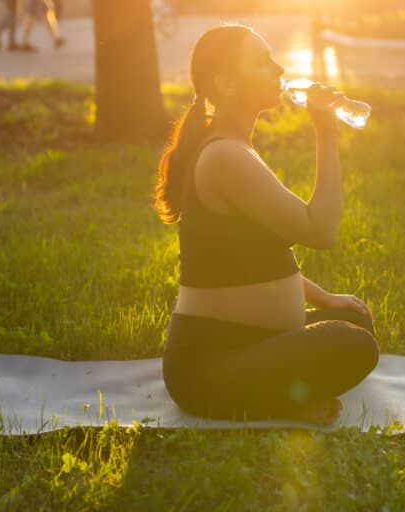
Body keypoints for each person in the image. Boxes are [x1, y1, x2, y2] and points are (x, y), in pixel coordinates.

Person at [155, 24, 380, 426]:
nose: (278, 69)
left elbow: (257, 255)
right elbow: (321, 230)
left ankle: (279, 388)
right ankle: (279, 400)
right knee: (355, 345)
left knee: (354, 320)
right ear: (225, 83)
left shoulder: (236, 146)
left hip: (257, 342)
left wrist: (326, 299)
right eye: (262, 61)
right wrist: (326, 134)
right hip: (208, 367)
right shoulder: (225, 157)